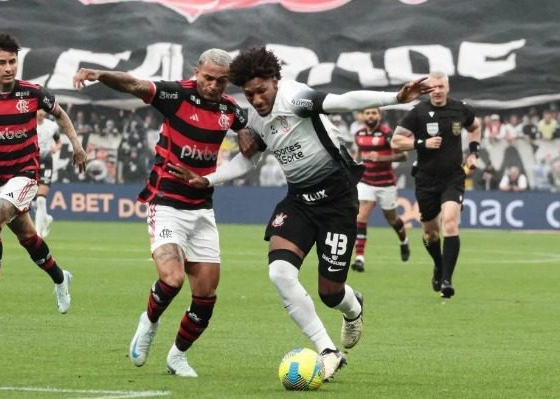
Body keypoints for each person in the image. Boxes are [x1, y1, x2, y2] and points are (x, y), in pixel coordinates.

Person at [167, 46, 432, 381]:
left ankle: (354, 308)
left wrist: (396, 96)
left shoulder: (296, 99)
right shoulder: (257, 119)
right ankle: (327, 349)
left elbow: (342, 100)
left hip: (337, 202)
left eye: (261, 91)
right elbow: (248, 160)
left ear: (275, 81)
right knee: (279, 273)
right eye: (249, 95)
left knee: (330, 293)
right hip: (299, 202)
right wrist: (206, 179)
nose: (257, 100)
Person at [72, 48, 248, 378]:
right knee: (173, 278)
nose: (212, 86)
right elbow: (134, 84)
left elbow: (248, 129)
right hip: (165, 202)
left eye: (221, 82)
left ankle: (177, 357)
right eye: (208, 78)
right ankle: (149, 322)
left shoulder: (230, 109)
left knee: (206, 296)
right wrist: (100, 74)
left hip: (202, 210)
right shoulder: (175, 94)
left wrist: (248, 135)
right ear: (197, 71)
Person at [0, 32, 87, 321]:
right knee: (28, 237)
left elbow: (61, 114)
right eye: (2, 62)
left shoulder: (32, 92)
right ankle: (61, 278)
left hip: (25, 176)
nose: (9, 68)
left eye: (12, 61)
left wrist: (77, 146)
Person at [391, 71, 481, 299]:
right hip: (425, 179)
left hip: (453, 177)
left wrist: (473, 153)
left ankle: (447, 281)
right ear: (428, 90)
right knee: (431, 234)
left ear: (447, 87)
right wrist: (422, 143)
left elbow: (475, 127)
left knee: (450, 223)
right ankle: (439, 265)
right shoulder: (418, 113)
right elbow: (396, 141)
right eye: (434, 88)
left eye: (441, 86)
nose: (438, 91)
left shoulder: (461, 109)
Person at [351, 107, 409, 273]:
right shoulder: (359, 135)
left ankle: (404, 241)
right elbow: (358, 155)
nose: (370, 116)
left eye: (374, 113)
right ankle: (359, 258)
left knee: (392, 219)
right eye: (367, 113)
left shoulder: (387, 134)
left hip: (386, 183)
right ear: (363, 115)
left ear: (379, 115)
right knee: (361, 217)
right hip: (366, 181)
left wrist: (382, 158)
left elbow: (402, 156)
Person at [34, 109, 62, 237]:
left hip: (46, 161)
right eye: (38, 110)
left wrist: (55, 148)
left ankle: (38, 233)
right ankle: (45, 218)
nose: (41, 113)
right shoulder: (28, 125)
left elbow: (59, 142)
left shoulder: (52, 126)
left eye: (42, 110)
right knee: (33, 202)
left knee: (40, 199)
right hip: (31, 162)